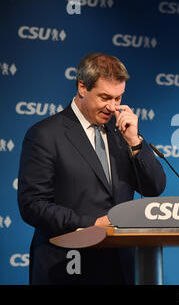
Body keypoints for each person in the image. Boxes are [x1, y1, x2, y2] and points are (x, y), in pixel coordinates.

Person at [17, 53, 166, 284]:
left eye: (119, 98)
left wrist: (136, 143)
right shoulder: (45, 134)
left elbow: (154, 187)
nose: (113, 107)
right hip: (67, 266)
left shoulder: (122, 134)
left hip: (120, 268)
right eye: (105, 97)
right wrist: (91, 224)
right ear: (82, 87)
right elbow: (32, 205)